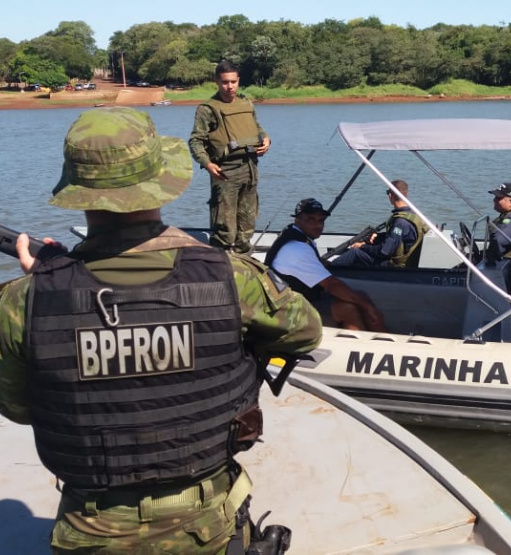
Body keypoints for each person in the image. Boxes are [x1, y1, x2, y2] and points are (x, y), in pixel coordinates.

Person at [0, 107, 321, 553]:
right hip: (209, 526)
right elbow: (306, 332)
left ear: (77, 190)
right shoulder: (230, 276)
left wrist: (47, 283)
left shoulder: (22, 300)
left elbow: (19, 407)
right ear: (161, 182)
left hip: (89, 532)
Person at [266, 198, 387, 332]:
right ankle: (358, 343)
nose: (318, 225)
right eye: (311, 220)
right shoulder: (297, 248)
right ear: (298, 221)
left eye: (321, 220)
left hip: (302, 299)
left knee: (361, 296)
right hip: (286, 310)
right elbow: (332, 285)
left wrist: (364, 303)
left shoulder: (297, 236)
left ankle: (380, 337)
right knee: (347, 309)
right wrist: (369, 307)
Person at [189, 59, 271, 254]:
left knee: (247, 224)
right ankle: (220, 262)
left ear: (238, 81)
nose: (230, 87)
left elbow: (258, 128)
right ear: (217, 82)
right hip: (225, 172)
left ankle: (243, 259)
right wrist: (207, 164)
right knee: (225, 228)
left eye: (233, 82)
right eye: (225, 82)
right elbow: (195, 141)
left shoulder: (245, 102)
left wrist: (266, 140)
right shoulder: (207, 109)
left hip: (250, 168)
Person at [331, 180, 428, 268]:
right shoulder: (413, 215)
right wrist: (378, 237)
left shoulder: (400, 222)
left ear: (390, 195)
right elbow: (399, 237)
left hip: (396, 266)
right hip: (409, 261)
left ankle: (329, 270)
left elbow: (384, 251)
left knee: (354, 253)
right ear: (406, 195)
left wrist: (362, 246)